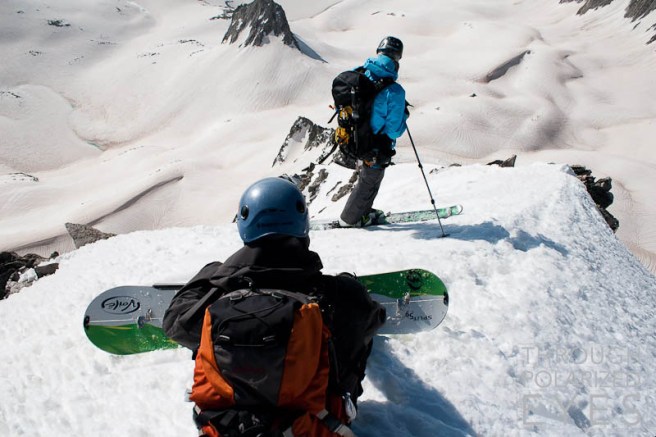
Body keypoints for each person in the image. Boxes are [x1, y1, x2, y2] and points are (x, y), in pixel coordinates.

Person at [163, 177, 386, 436]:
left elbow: (175, 324)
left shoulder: (218, 296)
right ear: (302, 222)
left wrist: (215, 273)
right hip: (316, 424)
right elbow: (374, 318)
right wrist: (349, 285)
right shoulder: (339, 295)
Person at [339, 36, 408, 228]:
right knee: (370, 179)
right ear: (397, 59)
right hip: (375, 145)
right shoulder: (394, 91)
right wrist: (404, 116)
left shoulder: (357, 74)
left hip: (353, 139)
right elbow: (394, 131)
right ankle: (349, 219)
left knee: (368, 177)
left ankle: (363, 212)